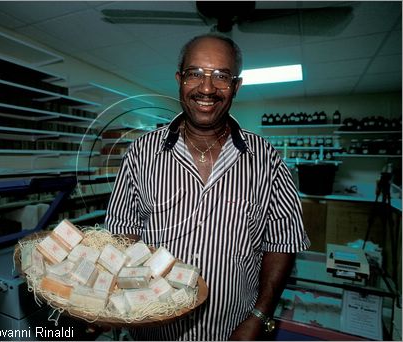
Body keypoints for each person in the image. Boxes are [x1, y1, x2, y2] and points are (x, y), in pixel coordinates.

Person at [105, 33, 310, 341]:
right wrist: (108, 299)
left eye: (221, 76)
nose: (206, 87)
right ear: (179, 79)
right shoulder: (140, 153)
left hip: (232, 331)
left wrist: (259, 316)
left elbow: (282, 243)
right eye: (195, 74)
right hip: (153, 329)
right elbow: (122, 233)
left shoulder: (266, 158)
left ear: (236, 86)